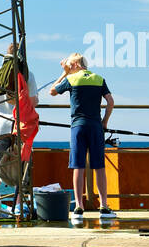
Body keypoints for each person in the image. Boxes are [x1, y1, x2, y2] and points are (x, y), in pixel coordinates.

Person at [49, 53, 114, 216]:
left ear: (76, 65)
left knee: (78, 166)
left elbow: (52, 91)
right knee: (99, 166)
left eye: (70, 65)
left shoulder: (72, 79)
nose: (69, 68)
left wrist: (64, 73)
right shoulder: (98, 78)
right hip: (95, 126)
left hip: (78, 126)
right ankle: (104, 206)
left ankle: (79, 206)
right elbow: (110, 101)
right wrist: (104, 122)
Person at [0, 44, 35, 196]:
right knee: (22, 164)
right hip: (20, 126)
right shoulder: (27, 73)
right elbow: (33, 101)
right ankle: (18, 203)